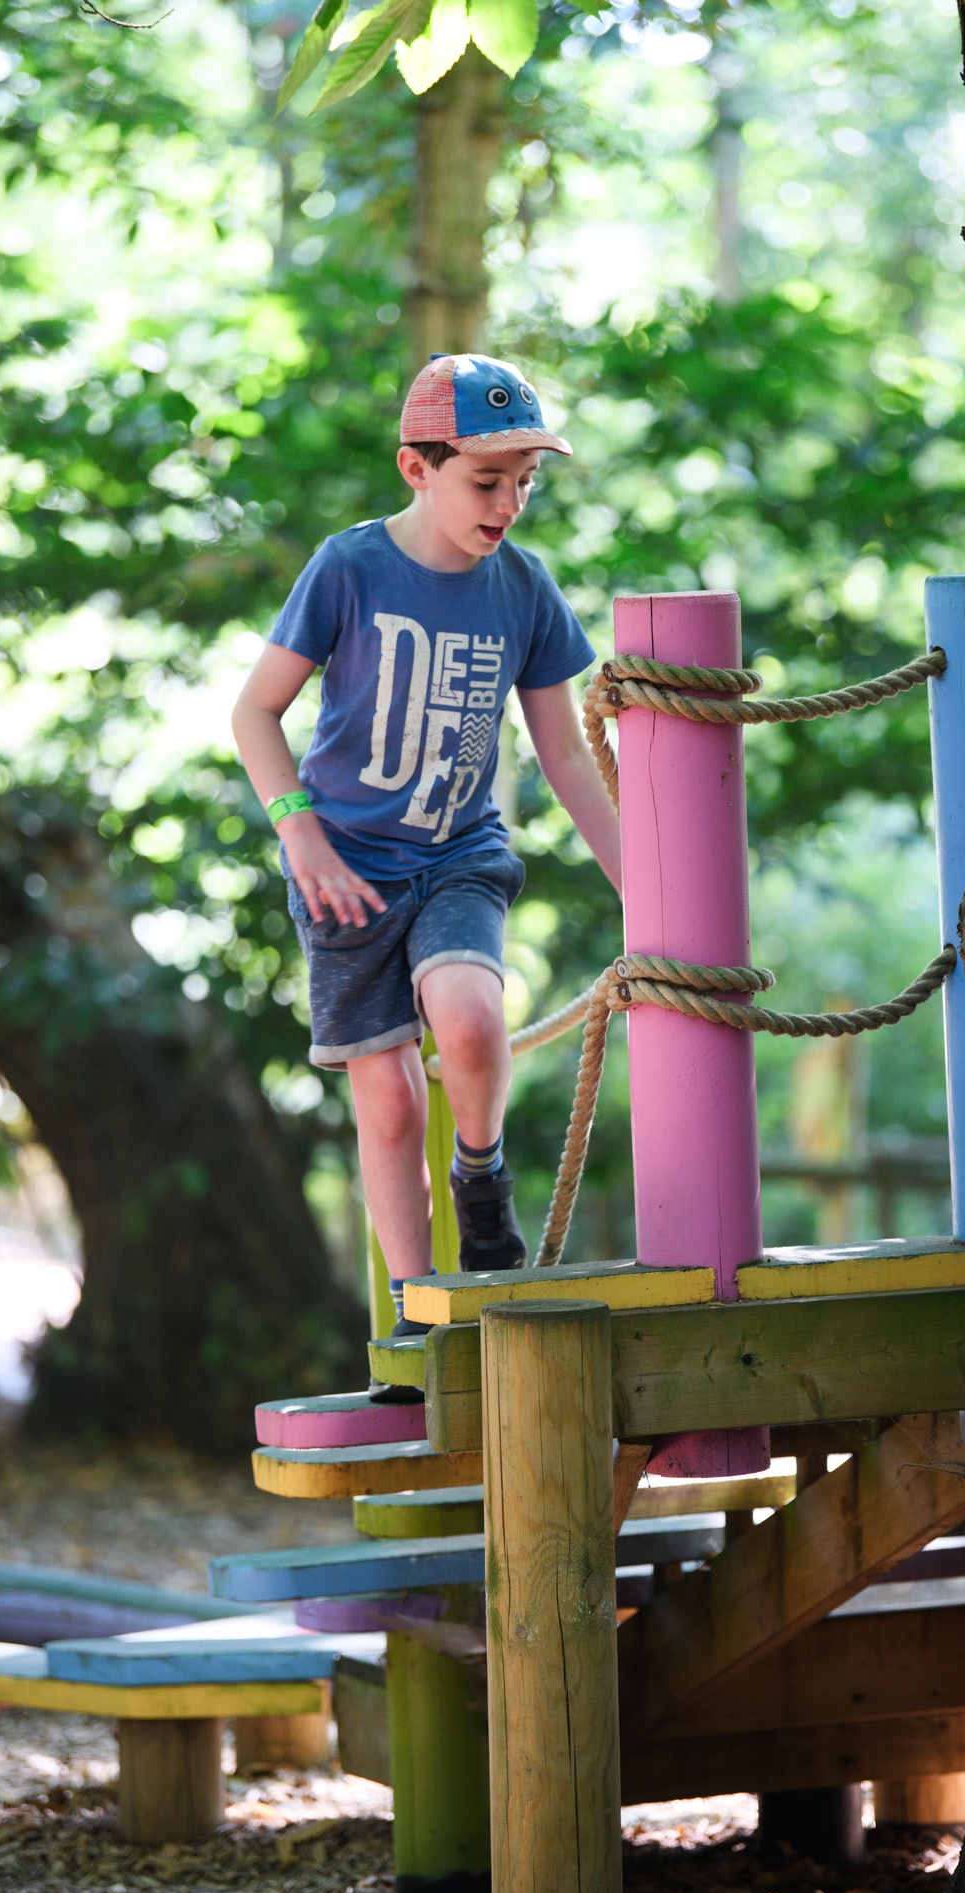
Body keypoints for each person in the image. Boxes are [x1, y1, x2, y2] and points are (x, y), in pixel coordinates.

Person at [232, 352, 621, 1341]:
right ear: (418, 468)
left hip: (457, 853)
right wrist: (301, 837)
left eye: (523, 482)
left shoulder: (522, 587)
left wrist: (645, 886)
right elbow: (254, 713)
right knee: (392, 1106)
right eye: (487, 481)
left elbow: (565, 756)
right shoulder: (350, 566)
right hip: (345, 868)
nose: (509, 504)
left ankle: (480, 1173)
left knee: (472, 1020)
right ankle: (413, 1314)